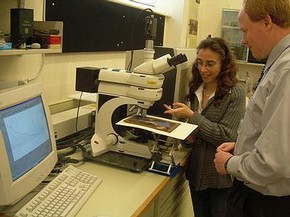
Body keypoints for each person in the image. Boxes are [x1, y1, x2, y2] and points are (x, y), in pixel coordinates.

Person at [214, 0, 290, 216]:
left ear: (267, 22)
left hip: (263, 204)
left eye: (245, 31)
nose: (243, 40)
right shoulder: (278, 63)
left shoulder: (286, 69)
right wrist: (241, 147)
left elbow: (273, 163)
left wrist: (229, 163)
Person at [163, 37, 246, 217]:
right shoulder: (196, 89)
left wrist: (192, 116)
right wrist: (187, 137)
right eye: (200, 63)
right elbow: (195, 136)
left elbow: (226, 135)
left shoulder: (235, 92)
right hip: (195, 176)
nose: (203, 69)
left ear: (224, 65)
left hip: (220, 178)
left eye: (210, 64)